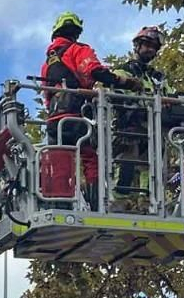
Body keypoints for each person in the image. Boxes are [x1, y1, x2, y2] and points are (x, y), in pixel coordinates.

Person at [41, 12, 141, 202]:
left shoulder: (47, 64)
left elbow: (47, 96)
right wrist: (126, 82)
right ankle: (95, 204)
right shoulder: (78, 50)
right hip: (76, 115)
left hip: (54, 120)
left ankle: (60, 203)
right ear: (76, 33)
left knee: (60, 162)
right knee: (90, 159)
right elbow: (94, 71)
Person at [111, 25, 171, 202]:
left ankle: (147, 202)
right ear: (137, 46)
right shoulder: (123, 72)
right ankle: (118, 202)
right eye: (146, 45)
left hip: (154, 130)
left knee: (153, 170)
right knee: (126, 169)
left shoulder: (158, 78)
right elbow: (116, 95)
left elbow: (171, 96)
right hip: (129, 128)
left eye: (153, 47)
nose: (150, 50)